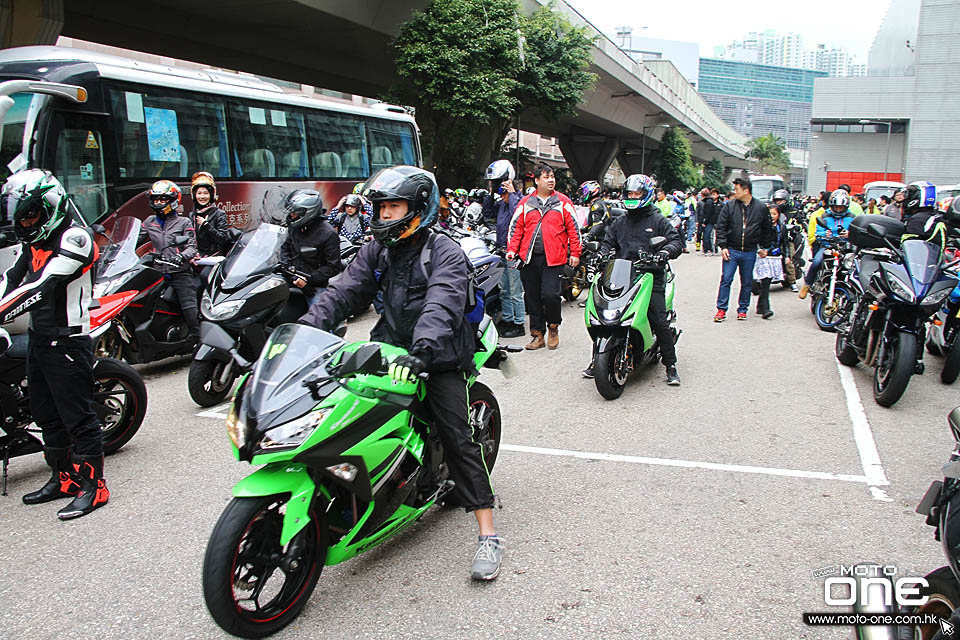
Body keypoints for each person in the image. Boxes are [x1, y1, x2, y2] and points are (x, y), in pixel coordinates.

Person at [298, 165, 503, 581]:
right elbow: (343, 291)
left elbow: (442, 304)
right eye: (381, 208)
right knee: (337, 412)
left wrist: (422, 353)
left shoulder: (444, 252)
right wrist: (304, 331)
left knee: (458, 438)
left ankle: (488, 534)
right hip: (387, 348)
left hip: (438, 355)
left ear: (420, 209)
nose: (384, 216)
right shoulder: (377, 250)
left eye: (394, 207)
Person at [0, 169, 107, 519]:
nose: (26, 222)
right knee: (46, 414)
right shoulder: (35, 241)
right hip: (39, 339)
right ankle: (63, 479)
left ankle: (95, 488)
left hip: (68, 341)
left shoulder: (75, 238)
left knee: (79, 418)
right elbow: (12, 280)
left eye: (31, 214)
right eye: (21, 216)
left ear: (50, 206)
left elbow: (40, 287)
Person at [582, 174, 683, 384]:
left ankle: (671, 365)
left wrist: (664, 253)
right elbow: (608, 243)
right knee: (602, 315)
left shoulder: (657, 220)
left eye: (637, 193)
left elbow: (675, 242)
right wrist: (601, 253)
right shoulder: (619, 221)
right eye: (630, 193)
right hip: (621, 274)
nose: (632, 197)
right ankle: (597, 359)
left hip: (650, 275)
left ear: (646, 195)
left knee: (658, 319)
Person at [505, 163, 582, 350]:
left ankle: (553, 327)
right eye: (546, 177)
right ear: (537, 181)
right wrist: (512, 249)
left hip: (554, 259)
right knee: (532, 298)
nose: (551, 180)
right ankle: (537, 335)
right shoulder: (525, 203)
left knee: (551, 295)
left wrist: (575, 253)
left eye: (552, 177)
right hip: (529, 259)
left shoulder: (563, 202)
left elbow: (574, 229)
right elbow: (516, 229)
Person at [140, 180, 200, 341]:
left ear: (173, 200)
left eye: (163, 199)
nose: (159, 203)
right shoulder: (149, 222)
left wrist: (181, 257)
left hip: (180, 272)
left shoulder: (183, 222)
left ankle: (197, 339)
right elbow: (133, 241)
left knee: (189, 308)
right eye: (156, 199)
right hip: (157, 272)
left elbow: (192, 247)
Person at [713, 177, 775, 322]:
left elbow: (767, 229)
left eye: (737, 189)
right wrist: (723, 246)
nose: (734, 192)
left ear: (746, 190)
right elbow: (721, 227)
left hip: (750, 251)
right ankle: (721, 309)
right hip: (732, 250)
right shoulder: (729, 206)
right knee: (726, 279)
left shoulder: (760, 207)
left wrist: (765, 247)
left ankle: (743, 309)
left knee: (747, 281)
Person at [482, 160, 525, 338]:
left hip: (514, 253)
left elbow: (519, 215)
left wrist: (513, 194)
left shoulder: (519, 200)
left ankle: (519, 323)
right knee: (505, 290)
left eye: (501, 184)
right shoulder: (501, 205)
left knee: (515, 290)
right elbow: (488, 213)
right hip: (501, 251)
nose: (500, 188)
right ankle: (507, 319)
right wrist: (491, 194)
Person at [279, 189, 341, 306]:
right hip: (290, 278)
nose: (291, 216)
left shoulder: (328, 233)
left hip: (314, 286)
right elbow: (285, 247)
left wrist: (308, 279)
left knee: (318, 317)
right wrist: (287, 268)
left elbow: (333, 266)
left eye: (295, 212)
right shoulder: (295, 227)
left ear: (307, 212)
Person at [798, 189, 856, 299]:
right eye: (836, 207)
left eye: (841, 207)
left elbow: (857, 232)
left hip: (846, 248)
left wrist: (849, 234)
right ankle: (807, 284)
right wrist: (825, 234)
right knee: (816, 262)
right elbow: (818, 233)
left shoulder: (852, 217)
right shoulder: (824, 216)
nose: (838, 210)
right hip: (827, 246)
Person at [753, 205, 788, 319]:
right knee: (766, 282)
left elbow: (785, 243)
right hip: (762, 257)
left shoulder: (782, 228)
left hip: (775, 257)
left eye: (774, 214)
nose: (772, 217)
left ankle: (760, 306)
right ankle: (766, 308)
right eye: (770, 214)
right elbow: (755, 239)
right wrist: (760, 250)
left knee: (766, 282)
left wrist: (787, 256)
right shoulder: (760, 226)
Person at [771, 188, 800, 291]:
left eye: (781, 200)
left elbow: (800, 222)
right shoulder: (773, 210)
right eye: (777, 200)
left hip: (788, 239)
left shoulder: (793, 211)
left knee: (788, 258)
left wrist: (796, 226)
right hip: (774, 238)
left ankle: (792, 282)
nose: (779, 202)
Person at [699, 188, 720, 255]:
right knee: (706, 235)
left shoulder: (708, 202)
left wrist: (705, 222)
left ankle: (709, 250)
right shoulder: (709, 201)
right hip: (710, 221)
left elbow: (708, 213)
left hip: (709, 222)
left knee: (706, 236)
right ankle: (707, 249)